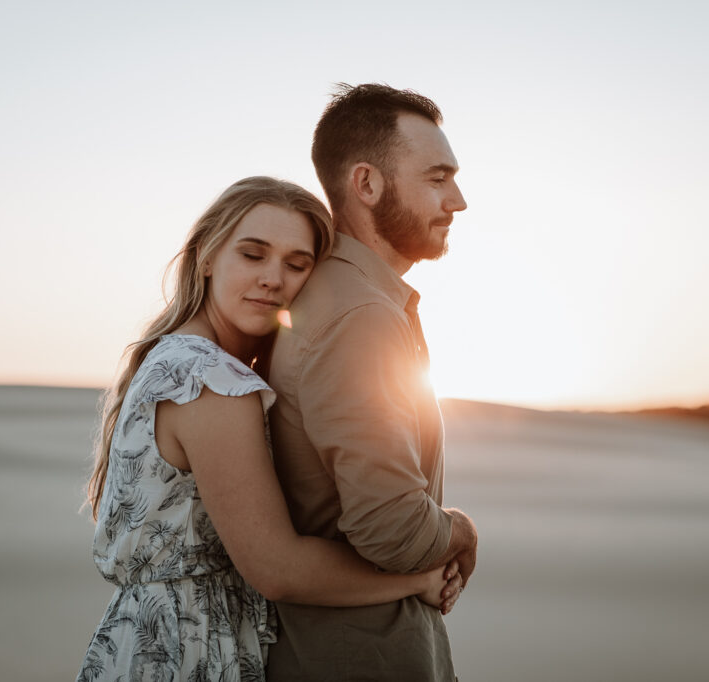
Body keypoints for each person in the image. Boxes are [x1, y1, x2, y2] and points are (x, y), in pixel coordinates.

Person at [76, 176, 463, 682]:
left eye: (297, 264)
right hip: (185, 649)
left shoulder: (179, 358)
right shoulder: (209, 380)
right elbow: (277, 569)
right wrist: (415, 579)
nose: (273, 279)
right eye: (253, 255)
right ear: (208, 256)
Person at [266, 85, 479, 681]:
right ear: (367, 184)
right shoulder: (360, 315)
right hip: (361, 657)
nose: (457, 200)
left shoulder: (352, 300)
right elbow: (390, 528)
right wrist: (460, 529)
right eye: (437, 178)